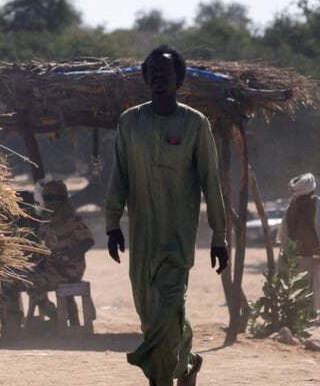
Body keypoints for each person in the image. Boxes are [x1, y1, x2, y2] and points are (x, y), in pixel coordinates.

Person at [105, 45, 229, 386]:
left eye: (167, 74)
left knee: (165, 314)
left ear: (179, 80)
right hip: (142, 241)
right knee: (153, 317)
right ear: (147, 80)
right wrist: (112, 223)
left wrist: (219, 236)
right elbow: (121, 175)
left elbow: (211, 181)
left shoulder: (194, 124)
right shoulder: (130, 122)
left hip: (177, 241)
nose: (160, 79)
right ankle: (187, 363)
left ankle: (161, 380)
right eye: (154, 74)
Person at [277, 172, 320, 345]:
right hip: (315, 258)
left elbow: (283, 234)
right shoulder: (316, 202)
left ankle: (296, 331)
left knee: (297, 295)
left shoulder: (292, 204)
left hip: (294, 259)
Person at [27, 179, 94, 326]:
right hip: (51, 268)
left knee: (34, 284)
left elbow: (88, 241)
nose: (52, 202)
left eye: (55, 198)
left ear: (63, 198)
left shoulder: (71, 218)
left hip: (69, 269)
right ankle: (57, 316)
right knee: (26, 280)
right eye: (48, 198)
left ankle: (59, 320)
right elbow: (42, 245)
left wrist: (69, 255)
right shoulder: (45, 219)